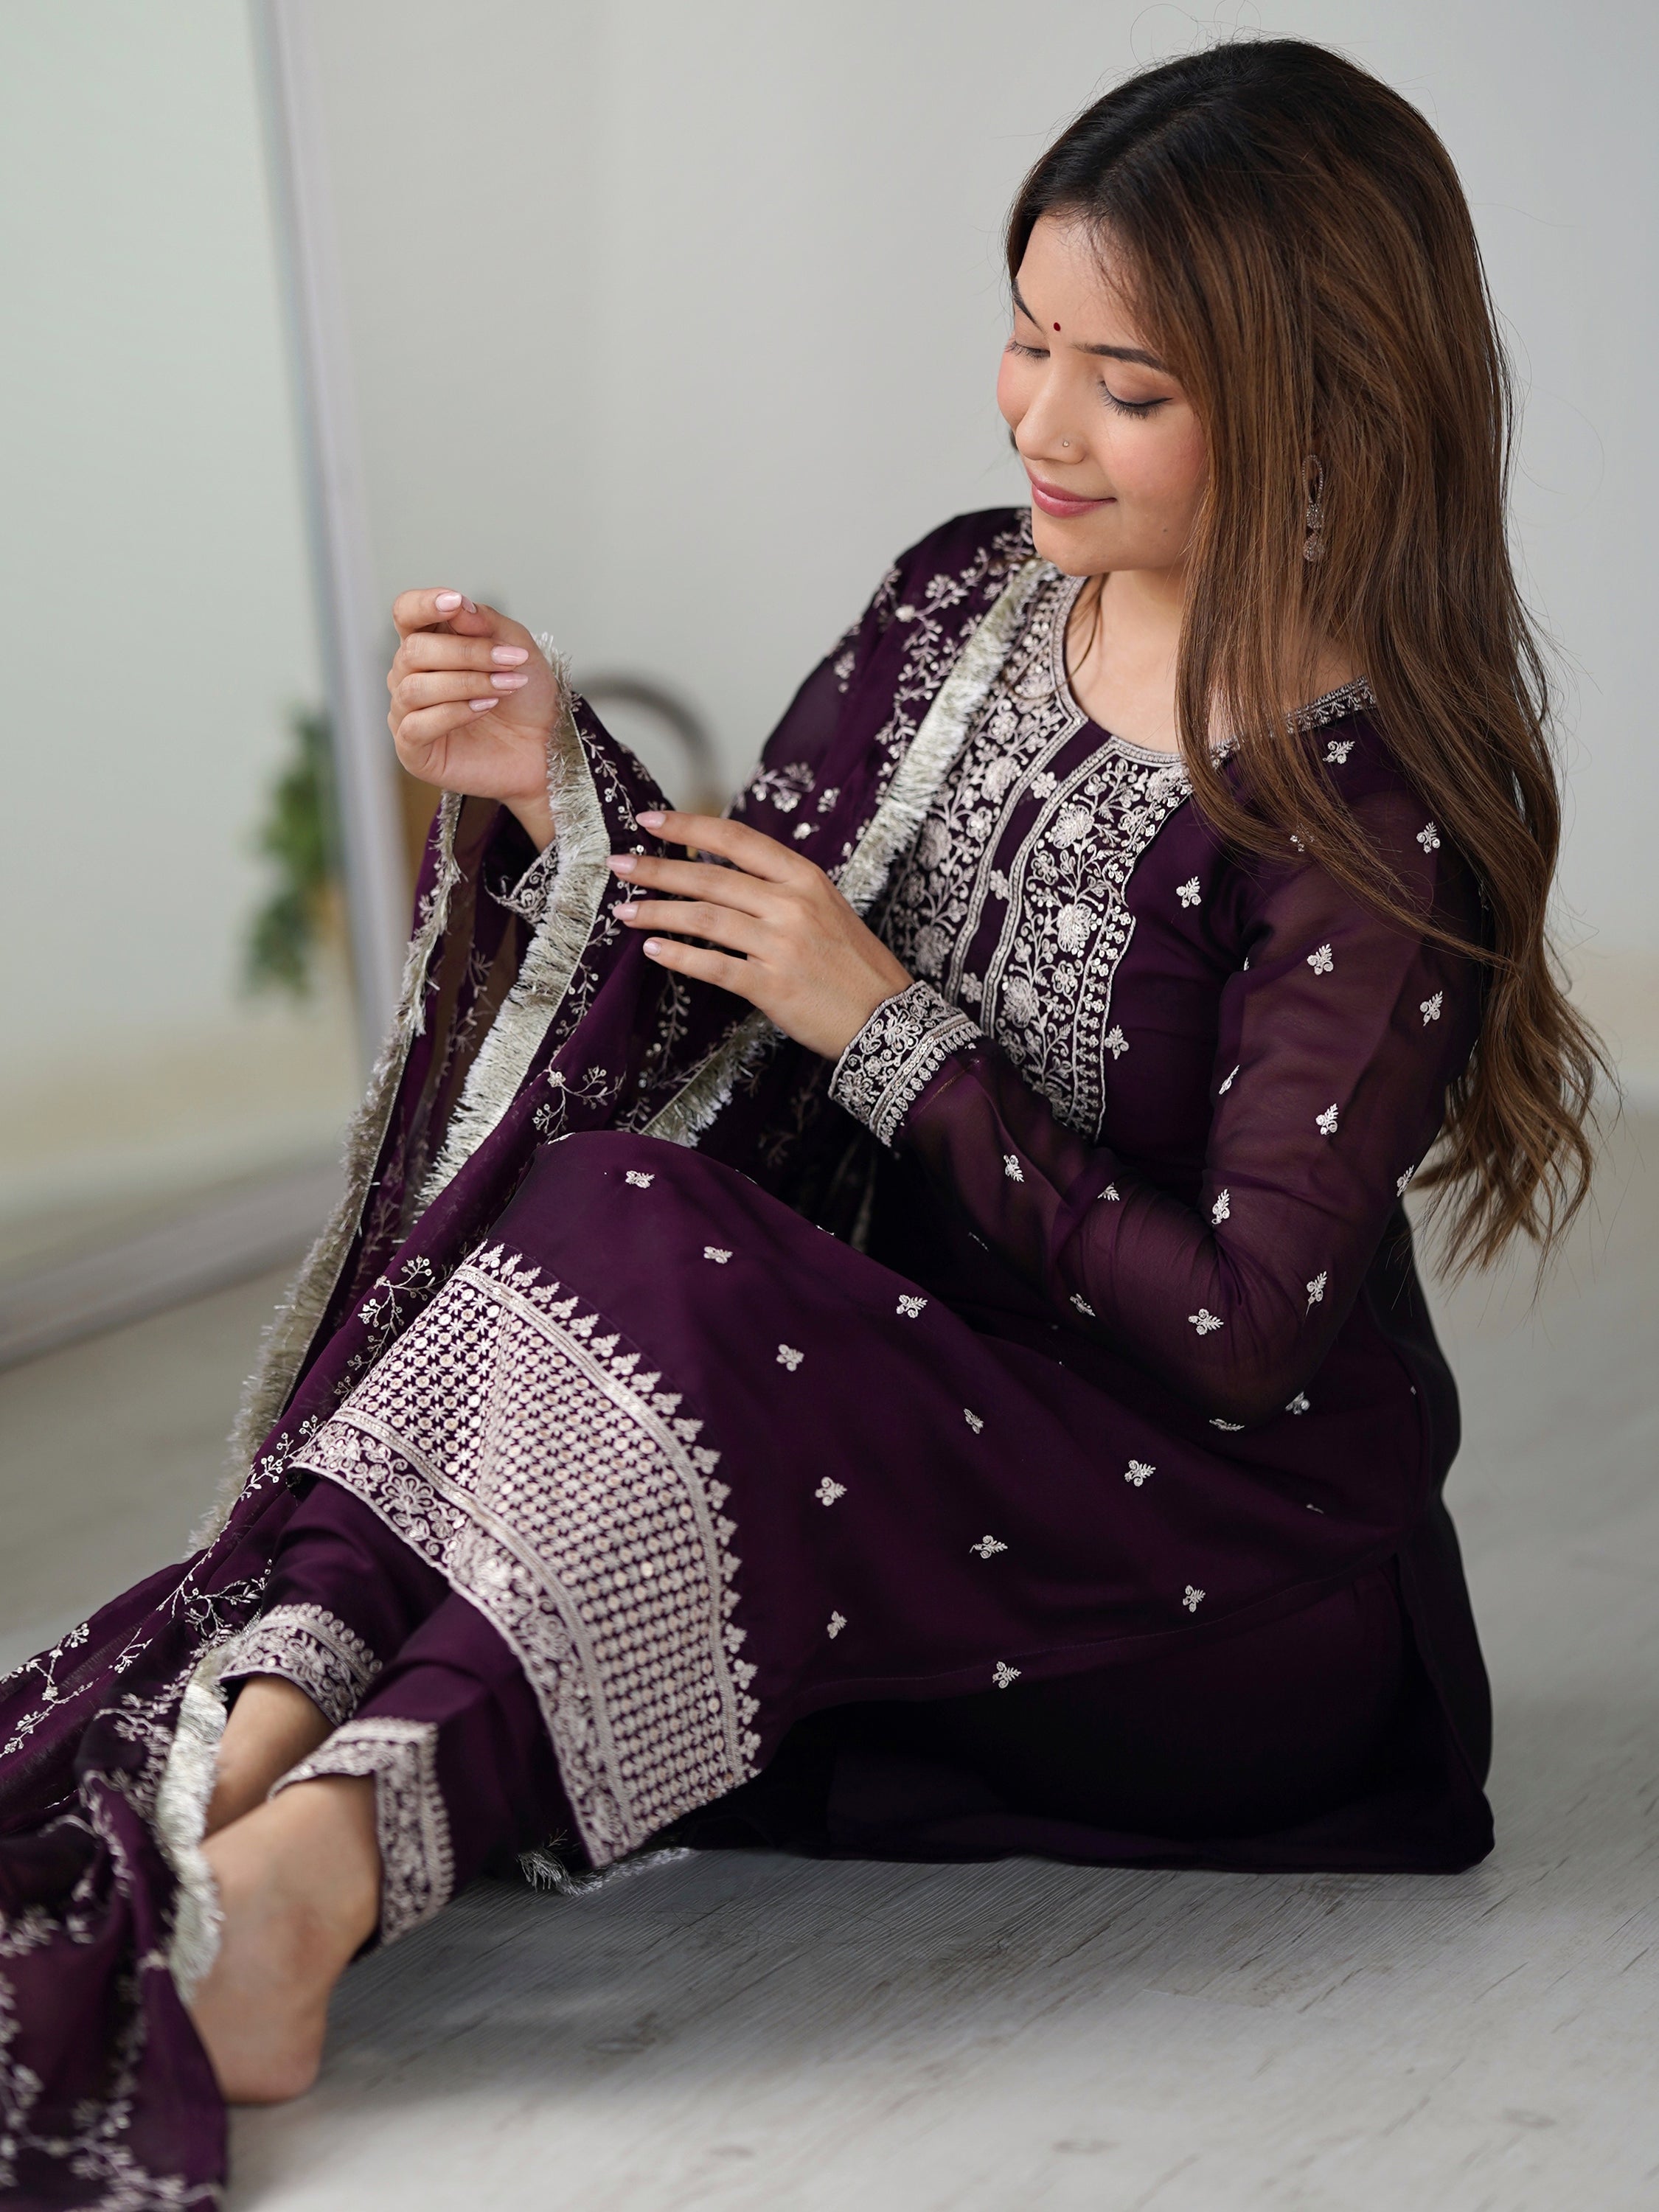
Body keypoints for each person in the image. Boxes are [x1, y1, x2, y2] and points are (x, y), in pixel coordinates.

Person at [0, 38, 1603, 2209]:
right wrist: (550, 785)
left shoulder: (1370, 810)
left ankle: (308, 1868)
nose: (1039, 421)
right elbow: (726, 1012)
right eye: (1027, 339)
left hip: (1206, 1586)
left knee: (668, 1281)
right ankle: (249, 1758)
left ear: (1324, 406)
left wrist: (893, 1031)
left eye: (1127, 384)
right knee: (614, 1197)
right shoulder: (959, 605)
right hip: (840, 1427)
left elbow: (1240, 1331)